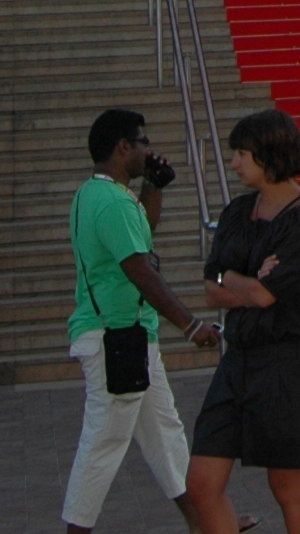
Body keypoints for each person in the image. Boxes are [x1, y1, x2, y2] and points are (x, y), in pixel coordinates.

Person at [65, 109, 226, 534]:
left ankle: (204, 521)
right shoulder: (114, 202)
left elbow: (144, 230)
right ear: (122, 147)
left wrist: (154, 185)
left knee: (165, 433)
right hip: (115, 338)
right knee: (104, 443)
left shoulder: (96, 195)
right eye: (141, 143)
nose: (146, 150)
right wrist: (191, 325)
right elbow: (140, 268)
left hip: (130, 337)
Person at [191, 108, 300, 534]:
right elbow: (212, 286)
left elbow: (266, 295)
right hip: (239, 360)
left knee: (287, 485)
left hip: (287, 365)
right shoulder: (238, 211)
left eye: (242, 154)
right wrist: (240, 280)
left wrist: (232, 280)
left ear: (270, 157)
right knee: (201, 483)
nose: (234, 163)